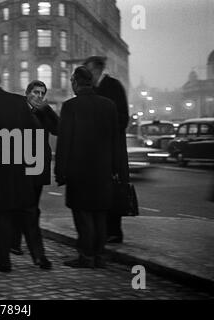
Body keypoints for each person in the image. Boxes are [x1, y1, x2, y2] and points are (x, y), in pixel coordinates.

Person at [0, 65, 49, 272]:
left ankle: (4, 260)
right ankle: (40, 257)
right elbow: (33, 134)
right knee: (29, 213)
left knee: (2, 215)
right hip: (22, 168)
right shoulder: (18, 101)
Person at [55, 66, 120, 268]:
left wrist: (60, 171)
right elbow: (116, 140)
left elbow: (64, 142)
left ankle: (86, 256)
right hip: (103, 171)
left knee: (83, 216)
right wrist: (117, 168)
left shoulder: (70, 106)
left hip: (79, 171)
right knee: (100, 215)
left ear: (75, 82)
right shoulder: (109, 105)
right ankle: (99, 256)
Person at [10, 81, 58, 268]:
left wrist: (48, 110)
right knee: (27, 209)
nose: (39, 96)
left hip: (37, 166)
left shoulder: (44, 112)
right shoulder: (18, 110)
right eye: (35, 92)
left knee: (30, 207)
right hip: (20, 166)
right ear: (27, 93)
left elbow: (58, 128)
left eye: (42, 93)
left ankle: (15, 244)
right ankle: (38, 255)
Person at [83, 56, 130, 244]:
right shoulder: (92, 90)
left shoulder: (113, 86)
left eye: (88, 71)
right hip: (96, 149)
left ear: (96, 70)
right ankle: (102, 230)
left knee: (112, 188)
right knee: (99, 191)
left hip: (111, 148)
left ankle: (114, 231)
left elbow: (123, 119)